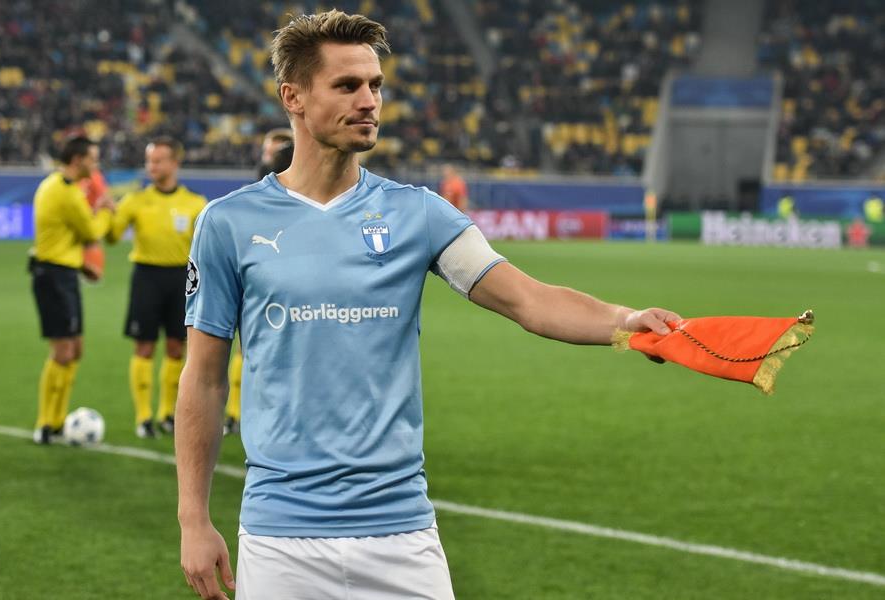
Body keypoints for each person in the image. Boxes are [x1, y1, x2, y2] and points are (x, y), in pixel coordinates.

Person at [176, 10, 679, 600]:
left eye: (375, 85)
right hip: (280, 538)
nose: (369, 101)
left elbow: (530, 300)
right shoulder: (229, 223)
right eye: (347, 85)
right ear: (294, 97)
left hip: (400, 535)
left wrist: (625, 321)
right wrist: (193, 519)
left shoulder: (418, 213)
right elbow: (204, 378)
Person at [106, 137, 206, 438]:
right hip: (146, 277)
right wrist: (107, 211)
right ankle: (143, 417)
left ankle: (167, 414)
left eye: (159, 160)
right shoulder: (135, 200)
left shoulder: (195, 203)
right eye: (149, 160)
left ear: (175, 163)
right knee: (144, 346)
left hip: (181, 278)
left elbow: (206, 248)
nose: (152, 166)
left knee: (176, 347)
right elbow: (112, 237)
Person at [30, 136, 114, 444]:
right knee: (63, 351)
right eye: (92, 158)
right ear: (78, 160)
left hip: (63, 273)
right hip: (53, 275)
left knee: (74, 349)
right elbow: (91, 232)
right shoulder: (64, 192)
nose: (95, 164)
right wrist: (104, 210)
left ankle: (56, 421)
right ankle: (44, 423)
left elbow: (70, 235)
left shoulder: (58, 185)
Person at [223, 128, 297, 437]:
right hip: (259, 277)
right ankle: (235, 413)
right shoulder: (250, 198)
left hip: (292, 278)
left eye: (276, 153)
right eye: (268, 152)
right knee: (246, 347)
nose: (270, 159)